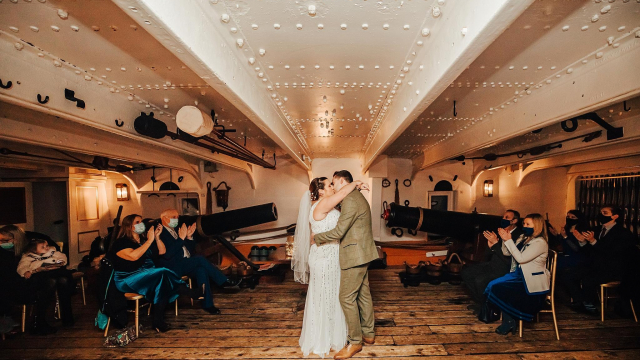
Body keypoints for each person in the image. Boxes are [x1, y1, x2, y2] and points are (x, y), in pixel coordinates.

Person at [293, 176, 369, 358]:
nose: (332, 187)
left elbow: (314, 232)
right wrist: (356, 183)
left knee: (334, 294)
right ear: (320, 191)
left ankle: (335, 335)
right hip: (325, 257)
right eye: (328, 185)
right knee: (326, 295)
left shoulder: (324, 206)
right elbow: (343, 192)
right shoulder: (323, 204)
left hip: (331, 255)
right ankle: (324, 338)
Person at [313, 170, 378, 360]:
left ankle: (355, 342)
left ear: (342, 181)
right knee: (363, 294)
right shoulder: (356, 197)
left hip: (354, 254)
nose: (333, 187)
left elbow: (339, 232)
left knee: (346, 298)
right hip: (363, 252)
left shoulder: (350, 200)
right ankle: (369, 334)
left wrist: (317, 238)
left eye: (334, 183)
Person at [108, 214, 199, 332]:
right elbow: (134, 256)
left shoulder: (143, 241)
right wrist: (150, 240)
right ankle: (187, 291)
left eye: (141, 221)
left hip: (146, 275)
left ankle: (158, 322)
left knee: (161, 284)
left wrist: (156, 238)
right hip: (127, 279)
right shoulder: (121, 242)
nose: (141, 224)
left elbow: (162, 251)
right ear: (129, 226)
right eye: (137, 222)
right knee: (163, 272)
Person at [155, 209, 239, 315]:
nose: (177, 219)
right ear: (164, 218)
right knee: (199, 259)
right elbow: (167, 254)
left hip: (184, 263)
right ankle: (223, 281)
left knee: (201, 270)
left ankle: (208, 305)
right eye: (174, 217)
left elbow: (188, 250)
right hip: (172, 267)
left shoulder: (176, 230)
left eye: (177, 217)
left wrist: (189, 237)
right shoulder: (160, 233)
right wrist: (181, 238)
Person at [563, 205, 636, 314]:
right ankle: (580, 301)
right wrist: (582, 242)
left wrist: (593, 241)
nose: (601, 215)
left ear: (615, 216)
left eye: (605, 213)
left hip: (612, 268)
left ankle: (589, 305)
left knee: (589, 278)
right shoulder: (596, 230)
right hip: (594, 265)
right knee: (568, 275)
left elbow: (612, 253)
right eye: (601, 212)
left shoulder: (622, 233)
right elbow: (588, 251)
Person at [484, 213, 550, 335]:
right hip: (519, 275)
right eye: (524, 223)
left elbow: (521, 259)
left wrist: (508, 240)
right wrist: (501, 241)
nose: (525, 226)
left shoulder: (540, 242)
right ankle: (506, 320)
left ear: (537, 226)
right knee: (493, 285)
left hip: (530, 280)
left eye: (528, 224)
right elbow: (507, 253)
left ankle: (507, 321)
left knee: (498, 287)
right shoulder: (524, 237)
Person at [0, 225, 72, 334]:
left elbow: (55, 252)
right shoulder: (5, 253)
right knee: (51, 282)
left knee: (62, 280)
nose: (1, 243)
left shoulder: (34, 243)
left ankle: (66, 317)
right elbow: (15, 274)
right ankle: (39, 320)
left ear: (15, 239)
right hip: (23, 280)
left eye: (4, 240)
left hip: (43, 273)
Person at [461, 209, 522, 312]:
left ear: (514, 221)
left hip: (505, 268)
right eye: (503, 217)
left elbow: (508, 259)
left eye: (507, 218)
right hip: (493, 264)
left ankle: (488, 307)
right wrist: (490, 245)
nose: (503, 219)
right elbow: (488, 254)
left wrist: (495, 245)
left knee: (479, 280)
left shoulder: (519, 235)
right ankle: (482, 302)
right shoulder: (500, 231)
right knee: (466, 272)